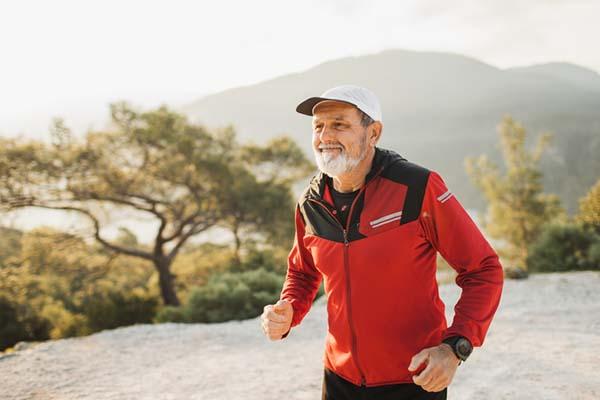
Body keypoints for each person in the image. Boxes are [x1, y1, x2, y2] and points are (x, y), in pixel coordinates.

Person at [260, 84, 504, 400]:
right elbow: (303, 274)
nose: (325, 136)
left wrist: (455, 347)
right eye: (318, 127)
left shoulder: (417, 188)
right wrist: (288, 309)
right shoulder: (311, 202)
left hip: (414, 380)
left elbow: (484, 270)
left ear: (373, 132)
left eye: (339, 124)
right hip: (338, 379)